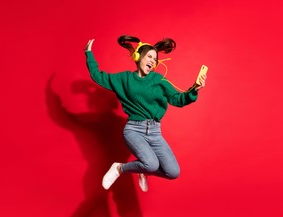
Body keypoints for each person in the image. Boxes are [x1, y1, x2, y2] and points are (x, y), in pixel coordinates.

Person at [84, 35, 207, 192]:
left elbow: (178, 99)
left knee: (173, 172)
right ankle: (119, 168)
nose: (152, 61)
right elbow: (98, 76)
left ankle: (143, 170)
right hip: (134, 130)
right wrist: (88, 53)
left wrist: (194, 89)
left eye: (155, 59)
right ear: (138, 56)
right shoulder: (124, 79)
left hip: (155, 132)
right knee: (152, 164)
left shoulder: (158, 80)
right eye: (149, 56)